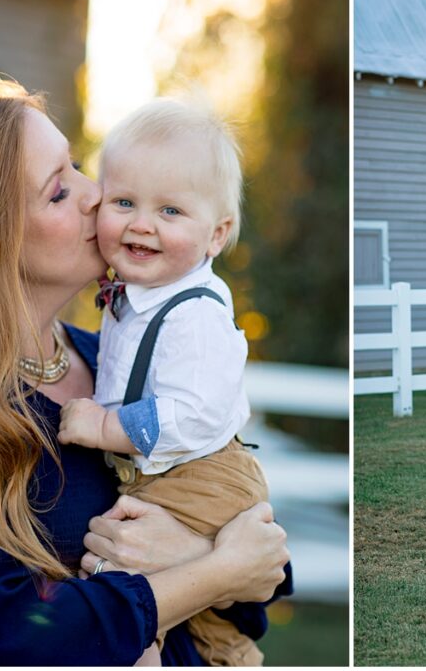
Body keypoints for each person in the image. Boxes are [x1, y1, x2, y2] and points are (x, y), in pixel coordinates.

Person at [0, 80, 290, 666]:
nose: (96, 195)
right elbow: (2, 642)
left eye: (79, 167)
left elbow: (259, 578)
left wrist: (211, 555)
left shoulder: (121, 357)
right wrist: (215, 569)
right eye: (59, 191)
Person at [57, 99, 274, 666]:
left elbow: (195, 414)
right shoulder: (138, 295)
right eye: (124, 201)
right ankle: (231, 654)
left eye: (171, 211)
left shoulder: (195, 314)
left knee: (122, 562)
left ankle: (141, 647)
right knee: (199, 609)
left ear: (216, 235)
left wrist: (106, 424)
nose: (142, 223)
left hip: (201, 471)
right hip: (171, 469)